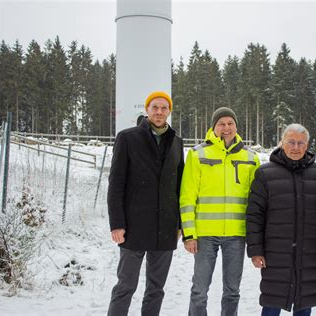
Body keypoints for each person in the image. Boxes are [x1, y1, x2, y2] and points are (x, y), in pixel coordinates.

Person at [107, 91, 184, 316]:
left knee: (156, 289)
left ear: (169, 111)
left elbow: (179, 187)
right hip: (134, 226)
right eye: (155, 107)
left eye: (164, 108)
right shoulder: (128, 137)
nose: (159, 112)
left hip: (165, 227)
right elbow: (116, 184)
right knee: (125, 286)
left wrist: (179, 223)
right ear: (147, 110)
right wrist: (117, 223)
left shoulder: (177, 142)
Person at [180, 107, 260, 316]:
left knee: (232, 291)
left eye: (230, 123)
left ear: (236, 126)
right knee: (199, 291)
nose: (226, 128)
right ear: (213, 127)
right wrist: (189, 234)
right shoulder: (198, 154)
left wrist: (254, 236)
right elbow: (187, 198)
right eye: (221, 124)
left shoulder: (251, 158)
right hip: (205, 235)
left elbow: (256, 202)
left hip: (236, 235)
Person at [246, 123, 316, 316]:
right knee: (272, 301)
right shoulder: (265, 174)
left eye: (301, 143)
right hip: (275, 252)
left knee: (304, 300)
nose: (296, 147)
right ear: (282, 143)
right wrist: (255, 250)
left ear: (307, 145)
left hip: (309, 252)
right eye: (291, 142)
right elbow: (255, 215)